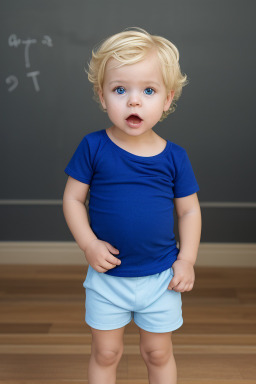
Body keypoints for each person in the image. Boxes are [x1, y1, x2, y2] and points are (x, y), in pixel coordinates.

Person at [63, 27, 202, 384]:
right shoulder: (93, 147)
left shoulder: (175, 157)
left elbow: (188, 211)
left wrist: (186, 259)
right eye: (120, 89)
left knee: (158, 352)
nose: (134, 101)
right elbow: (73, 199)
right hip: (108, 278)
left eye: (148, 90)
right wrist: (89, 244)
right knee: (106, 352)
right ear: (102, 95)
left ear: (168, 99)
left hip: (161, 277)